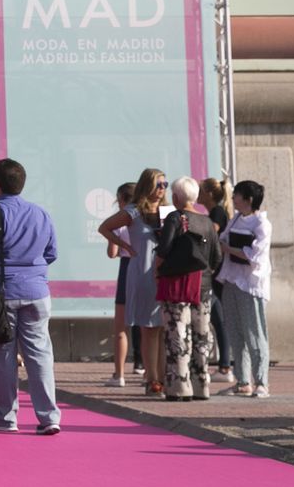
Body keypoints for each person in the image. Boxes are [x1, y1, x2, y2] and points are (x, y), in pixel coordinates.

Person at [0, 157, 61, 435]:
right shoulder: (40, 213)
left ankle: (6, 417)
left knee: (3, 354)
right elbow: (52, 252)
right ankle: (48, 417)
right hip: (37, 291)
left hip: (0, 292)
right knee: (39, 354)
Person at [99, 168, 168, 395]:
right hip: (143, 272)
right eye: (158, 184)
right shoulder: (134, 211)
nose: (162, 190)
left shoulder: (167, 211)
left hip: (164, 273)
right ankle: (152, 379)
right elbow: (105, 227)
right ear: (147, 185)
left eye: (165, 185)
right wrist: (126, 246)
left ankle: (161, 376)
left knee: (161, 326)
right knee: (148, 327)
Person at [156, 176, 222, 401]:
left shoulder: (175, 218)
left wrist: (157, 271)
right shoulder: (206, 222)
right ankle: (201, 385)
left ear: (175, 197)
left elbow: (163, 250)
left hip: (177, 285)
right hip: (203, 286)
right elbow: (217, 257)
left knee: (177, 335)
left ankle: (179, 386)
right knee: (201, 336)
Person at [217, 180, 273, 397]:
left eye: (237, 195)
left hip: (250, 284)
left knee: (255, 333)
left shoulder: (262, 224)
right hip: (231, 280)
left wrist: (230, 249)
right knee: (235, 332)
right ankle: (242, 381)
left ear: (248, 199)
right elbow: (222, 238)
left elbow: (256, 255)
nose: (233, 199)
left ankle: (261, 381)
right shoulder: (236, 219)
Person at [199, 177, 235, 382]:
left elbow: (211, 234)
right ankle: (225, 364)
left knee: (219, 318)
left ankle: (225, 366)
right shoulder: (215, 212)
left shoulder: (217, 213)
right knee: (218, 318)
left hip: (216, 272)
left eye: (202, 191)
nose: (198, 195)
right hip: (216, 271)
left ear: (210, 194)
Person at [102, 182, 135, 387]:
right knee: (149, 326)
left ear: (122, 199)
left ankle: (119, 374)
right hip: (146, 268)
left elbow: (112, 253)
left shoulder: (121, 222)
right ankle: (152, 373)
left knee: (120, 327)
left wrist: (114, 240)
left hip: (126, 268)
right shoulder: (147, 219)